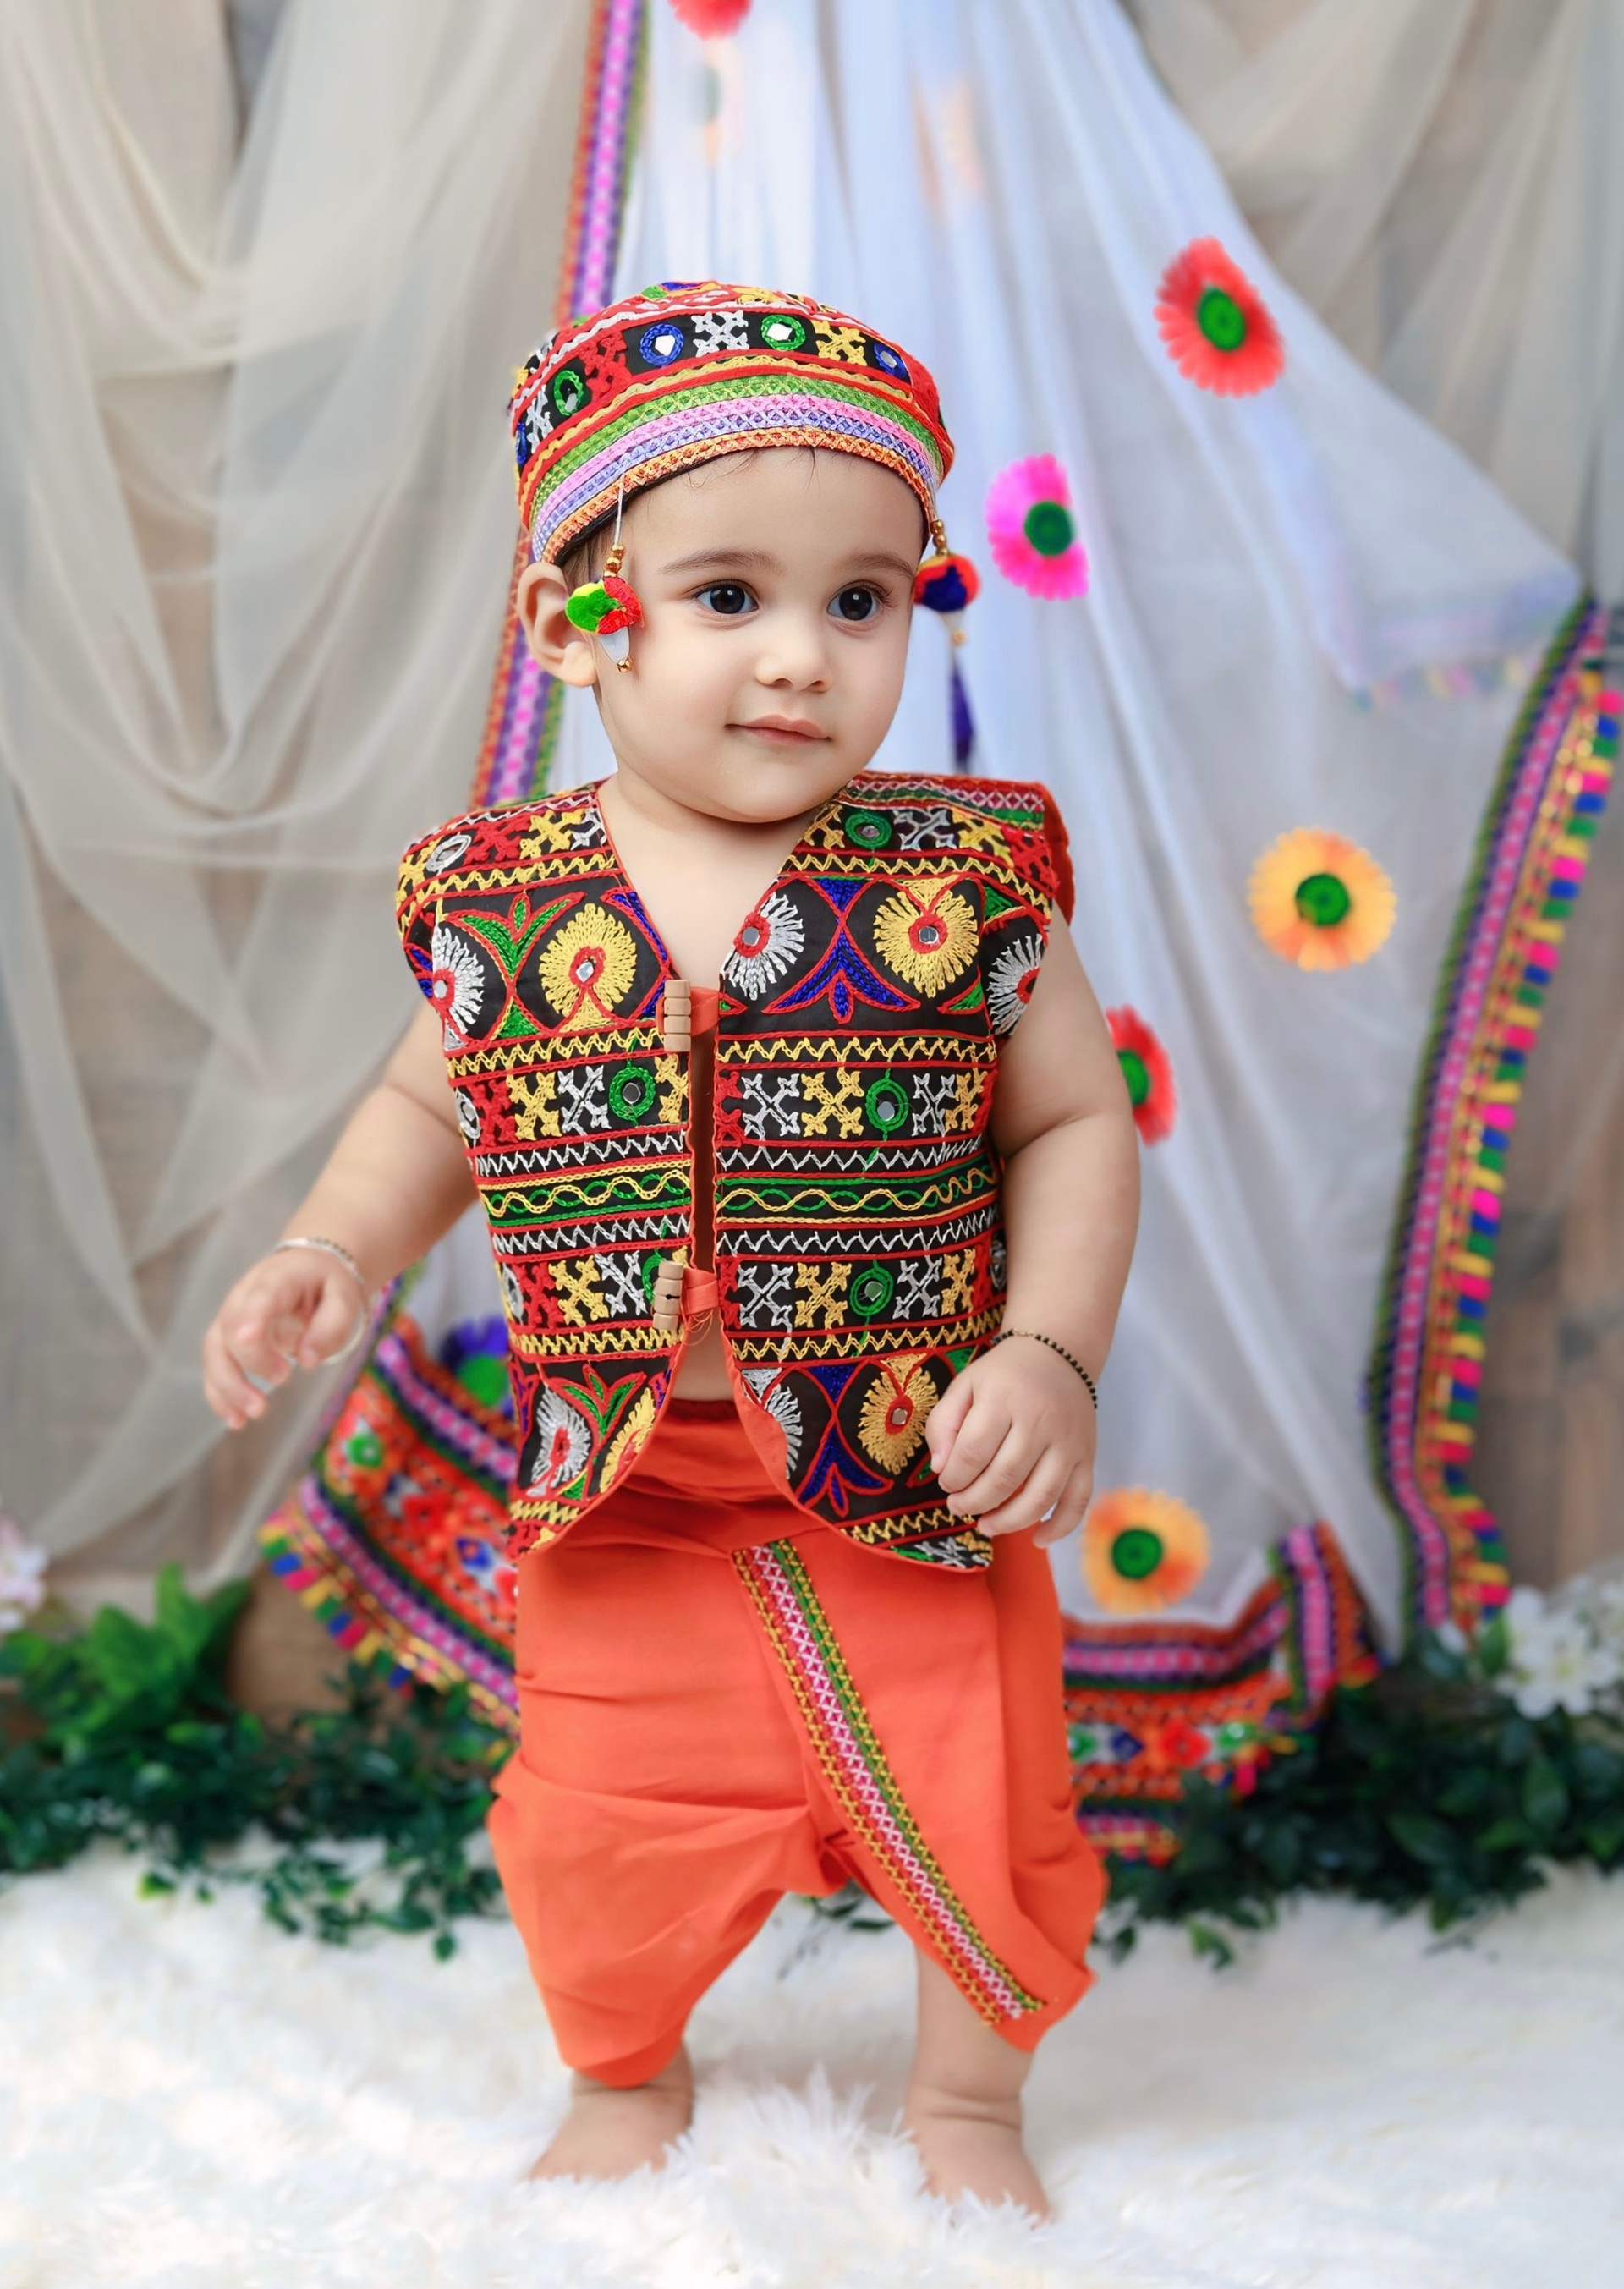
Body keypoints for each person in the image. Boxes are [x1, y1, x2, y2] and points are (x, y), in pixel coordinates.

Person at [201, 282, 1139, 2217]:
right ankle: (624, 2070)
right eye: (729, 596)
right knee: (595, 1814)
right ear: (574, 621)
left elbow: (1071, 1125)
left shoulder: (967, 881)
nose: (802, 656)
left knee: (984, 1795)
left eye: (861, 600)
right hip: (625, 1481)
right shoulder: (503, 893)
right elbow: (428, 1113)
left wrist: (1048, 1352)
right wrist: (330, 1246)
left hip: (912, 1462)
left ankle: (968, 2099)